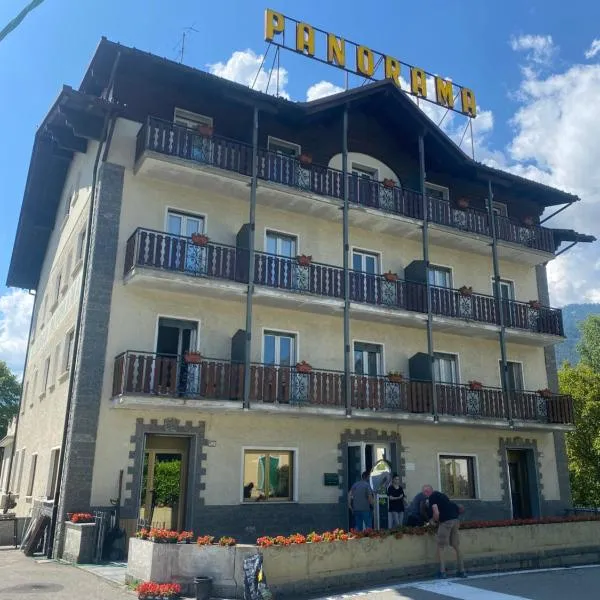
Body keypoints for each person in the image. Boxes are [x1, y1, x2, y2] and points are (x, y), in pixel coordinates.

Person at [422, 484, 466, 579]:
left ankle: (442, 572)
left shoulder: (432, 497)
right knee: (456, 546)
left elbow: (436, 512)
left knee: (441, 546)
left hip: (446, 521)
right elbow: (460, 508)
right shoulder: (442, 496)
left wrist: (433, 522)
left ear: (426, 492)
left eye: (424, 492)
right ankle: (462, 571)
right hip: (455, 520)